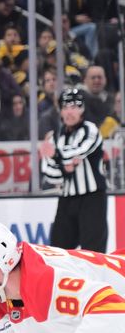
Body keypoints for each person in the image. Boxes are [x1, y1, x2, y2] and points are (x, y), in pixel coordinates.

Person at [39, 88, 107, 253]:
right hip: (67, 199)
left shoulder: (90, 130)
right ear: (60, 111)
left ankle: (94, 279)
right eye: (65, 107)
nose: (70, 112)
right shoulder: (54, 137)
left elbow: (80, 150)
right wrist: (66, 167)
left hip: (92, 197)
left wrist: (57, 156)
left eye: (75, 107)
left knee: (93, 251)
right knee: (57, 250)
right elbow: (49, 173)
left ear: (82, 109)